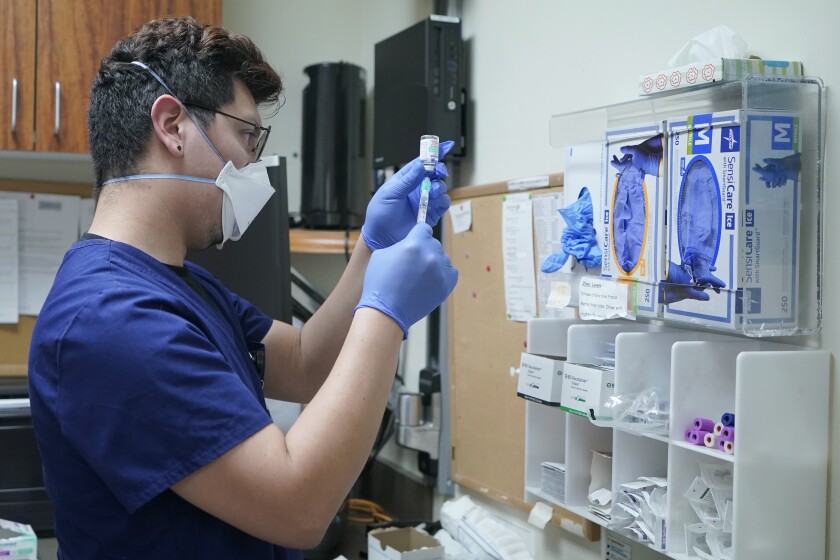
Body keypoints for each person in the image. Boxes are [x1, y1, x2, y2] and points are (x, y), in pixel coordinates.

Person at [27, 16, 457, 560]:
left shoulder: (177, 281)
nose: (254, 164)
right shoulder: (111, 318)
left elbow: (302, 363)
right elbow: (297, 507)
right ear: (173, 126)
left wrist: (372, 245)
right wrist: (387, 313)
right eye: (248, 136)